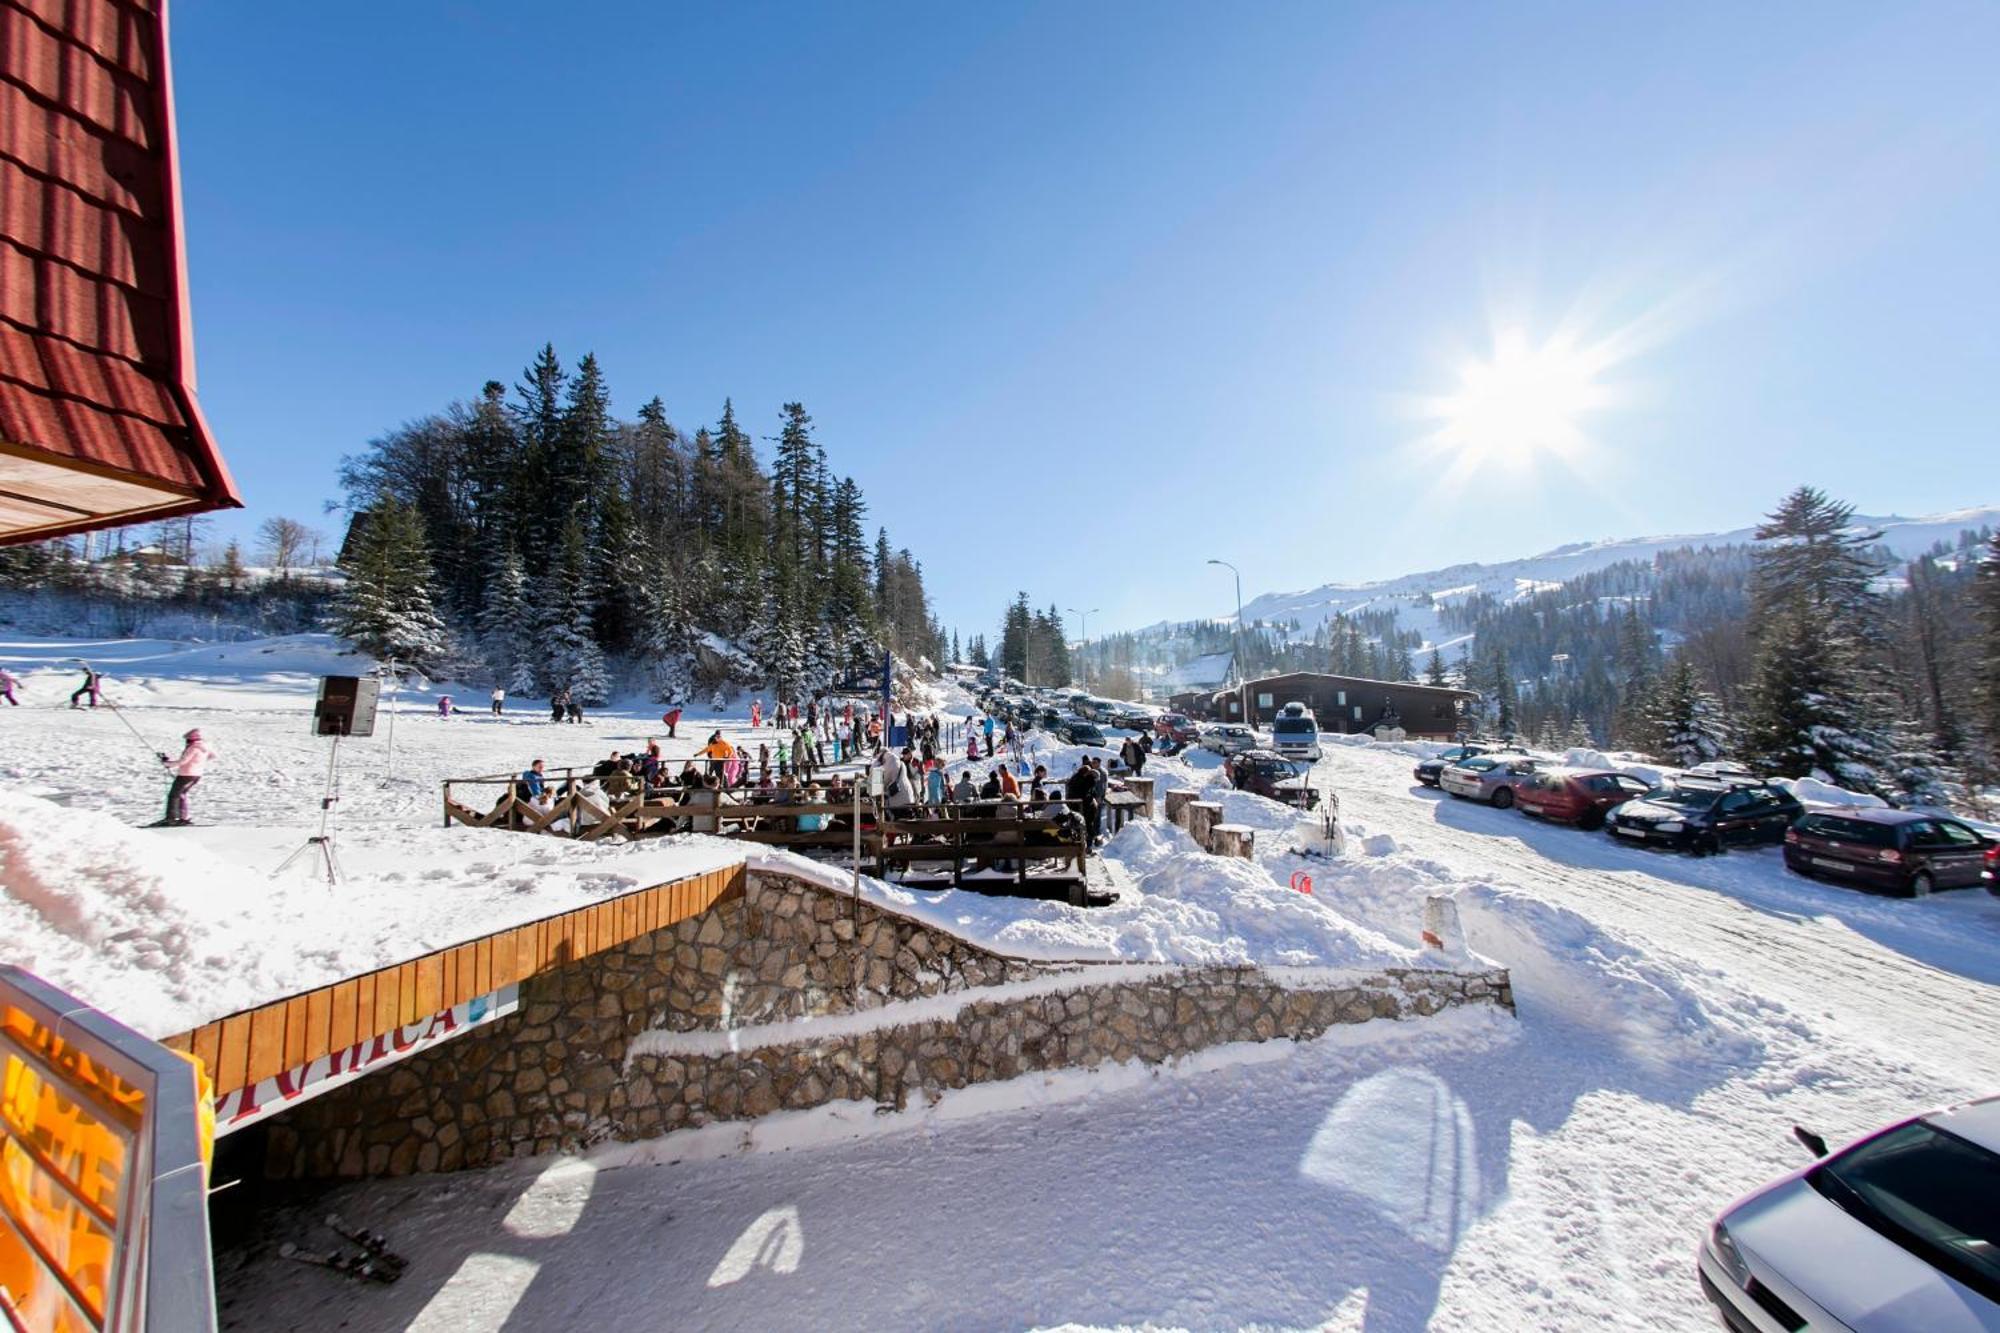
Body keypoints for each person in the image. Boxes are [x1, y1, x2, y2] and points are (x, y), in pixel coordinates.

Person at [154, 728, 214, 826]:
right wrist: (198, 763)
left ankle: (171, 819)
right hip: (196, 775)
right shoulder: (205, 747)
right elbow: (212, 756)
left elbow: (183, 761)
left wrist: (168, 764)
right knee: (181, 795)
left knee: (174, 795)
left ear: (191, 739)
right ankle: (182, 818)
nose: (187, 742)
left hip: (186, 775)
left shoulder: (193, 748)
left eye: (188, 740)